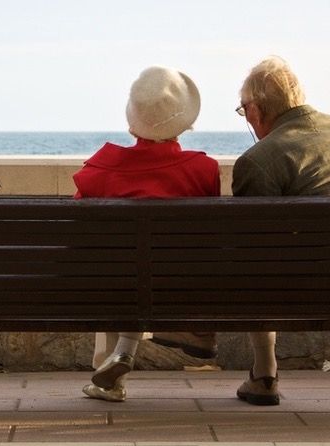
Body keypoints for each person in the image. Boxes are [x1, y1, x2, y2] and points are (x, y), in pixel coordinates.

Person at [231, 56, 330, 405]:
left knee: (250, 259)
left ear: (255, 110)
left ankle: (264, 372)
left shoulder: (258, 160)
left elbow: (254, 249)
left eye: (243, 111)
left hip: (302, 290)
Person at [72, 66, 220, 402]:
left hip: (112, 285)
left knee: (116, 267)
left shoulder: (100, 171)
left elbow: (82, 238)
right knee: (141, 269)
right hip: (178, 284)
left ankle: (111, 367)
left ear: (133, 121)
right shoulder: (202, 170)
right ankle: (122, 354)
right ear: (184, 123)